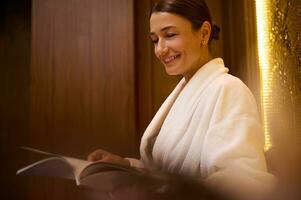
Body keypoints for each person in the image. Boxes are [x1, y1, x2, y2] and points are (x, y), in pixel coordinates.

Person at [87, 0, 276, 199]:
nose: (160, 49)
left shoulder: (229, 90)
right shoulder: (184, 93)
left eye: (170, 35)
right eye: (155, 40)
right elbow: (168, 173)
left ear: (204, 33)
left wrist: (157, 191)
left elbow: (241, 184)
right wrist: (126, 167)